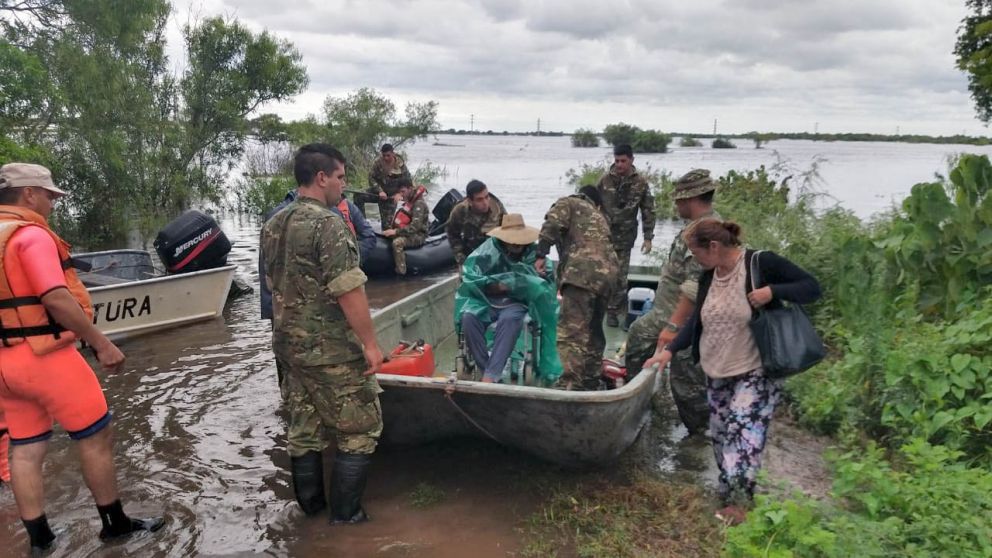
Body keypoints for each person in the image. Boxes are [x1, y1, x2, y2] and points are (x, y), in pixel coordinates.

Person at [0, 163, 164, 553]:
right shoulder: (30, 236)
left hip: (5, 364)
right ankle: (115, 525)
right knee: (96, 435)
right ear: (28, 194)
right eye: (49, 195)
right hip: (47, 360)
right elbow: (55, 296)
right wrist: (99, 342)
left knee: (25, 447)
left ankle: (41, 540)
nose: (53, 203)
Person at [645, 219, 821, 524]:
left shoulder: (759, 264)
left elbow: (812, 287)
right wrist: (669, 352)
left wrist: (772, 291)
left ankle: (739, 505)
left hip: (754, 368)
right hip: (717, 371)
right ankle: (728, 495)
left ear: (714, 247)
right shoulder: (708, 277)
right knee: (723, 436)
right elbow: (697, 323)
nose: (694, 259)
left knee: (743, 432)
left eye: (696, 253)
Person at [261, 144, 385, 524]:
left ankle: (311, 514)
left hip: (288, 347)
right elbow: (349, 289)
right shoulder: (329, 224)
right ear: (321, 178)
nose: (343, 187)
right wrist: (370, 344)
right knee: (360, 427)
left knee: (303, 427)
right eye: (341, 177)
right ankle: (346, 518)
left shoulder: (273, 223)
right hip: (329, 349)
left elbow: (271, 282)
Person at [625, 169, 720, 433]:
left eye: (679, 199)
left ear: (693, 198)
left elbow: (693, 287)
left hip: (684, 319)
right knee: (638, 338)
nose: (676, 205)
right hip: (668, 313)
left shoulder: (704, 231)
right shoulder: (697, 227)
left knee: (687, 382)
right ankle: (639, 399)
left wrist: (674, 327)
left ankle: (701, 434)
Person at [455, 214, 561, 384]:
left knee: (510, 319)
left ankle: (490, 377)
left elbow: (545, 285)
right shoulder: (487, 252)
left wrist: (523, 282)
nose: (515, 244)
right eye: (511, 240)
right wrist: (506, 283)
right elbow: (473, 279)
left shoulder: (535, 255)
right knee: (468, 317)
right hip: (486, 301)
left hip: (517, 303)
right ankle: (487, 370)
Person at [536, 185, 619, 390]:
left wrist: (541, 252)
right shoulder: (601, 218)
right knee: (593, 330)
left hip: (581, 274)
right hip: (609, 276)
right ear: (597, 204)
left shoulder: (569, 202)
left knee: (572, 332)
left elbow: (553, 222)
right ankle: (590, 379)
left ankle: (569, 385)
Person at [596, 144, 656, 327]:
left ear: (631, 160)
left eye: (623, 161)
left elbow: (648, 210)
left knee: (620, 277)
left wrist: (648, 237)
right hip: (603, 237)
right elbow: (592, 206)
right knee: (602, 275)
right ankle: (599, 310)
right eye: (616, 161)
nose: (620, 165)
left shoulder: (641, 183)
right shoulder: (604, 181)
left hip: (625, 237)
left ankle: (615, 312)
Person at [446, 179, 507, 267]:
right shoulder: (460, 211)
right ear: (470, 201)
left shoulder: (497, 208)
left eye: (487, 197)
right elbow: (451, 233)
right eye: (479, 200)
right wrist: (460, 257)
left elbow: (508, 230)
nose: (485, 203)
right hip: (470, 253)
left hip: (494, 253)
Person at [381, 177, 429, 275]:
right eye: (400, 192)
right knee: (386, 234)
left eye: (403, 191)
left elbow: (415, 227)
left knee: (397, 243)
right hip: (408, 231)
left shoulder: (419, 203)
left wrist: (396, 232)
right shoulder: (410, 200)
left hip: (419, 235)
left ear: (410, 188)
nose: (402, 195)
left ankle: (401, 272)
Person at [368, 143, 412, 229]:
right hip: (379, 193)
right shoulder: (378, 163)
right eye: (384, 155)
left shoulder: (400, 165)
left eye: (388, 155)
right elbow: (371, 178)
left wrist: (400, 194)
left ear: (393, 153)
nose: (386, 158)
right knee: (359, 196)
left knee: (386, 226)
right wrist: (379, 190)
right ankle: (361, 223)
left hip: (391, 197)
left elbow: (408, 182)